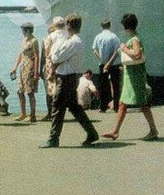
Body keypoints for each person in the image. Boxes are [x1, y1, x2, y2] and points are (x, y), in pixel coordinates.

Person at [41, 14, 98, 148]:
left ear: (69, 25)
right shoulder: (74, 40)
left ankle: (53, 139)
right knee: (74, 107)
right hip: (69, 77)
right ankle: (92, 133)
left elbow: (55, 57)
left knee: (57, 107)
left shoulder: (72, 42)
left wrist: (56, 52)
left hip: (65, 77)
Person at [101, 13, 159, 141]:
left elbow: (137, 54)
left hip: (135, 76)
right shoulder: (134, 37)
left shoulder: (134, 39)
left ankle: (153, 130)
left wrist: (124, 49)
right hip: (132, 74)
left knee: (141, 103)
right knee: (124, 103)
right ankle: (115, 130)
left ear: (125, 26)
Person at [9, 21, 39, 122]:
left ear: (28, 30)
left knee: (30, 92)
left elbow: (36, 56)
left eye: (23, 30)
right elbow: (20, 55)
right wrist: (15, 67)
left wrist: (36, 72)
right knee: (20, 91)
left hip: (30, 66)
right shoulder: (24, 40)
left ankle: (33, 115)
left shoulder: (34, 41)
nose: (22, 32)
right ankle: (23, 113)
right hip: (23, 66)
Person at [41, 16, 68, 122]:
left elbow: (45, 54)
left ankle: (50, 113)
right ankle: (56, 113)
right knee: (58, 91)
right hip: (62, 66)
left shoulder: (47, 39)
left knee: (49, 91)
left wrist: (41, 69)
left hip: (49, 66)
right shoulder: (67, 37)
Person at [92, 19, 122, 113]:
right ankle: (117, 106)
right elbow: (117, 51)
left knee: (103, 85)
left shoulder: (98, 37)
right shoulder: (114, 36)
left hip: (102, 63)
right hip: (114, 64)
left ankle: (103, 107)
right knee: (116, 85)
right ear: (110, 26)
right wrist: (109, 62)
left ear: (102, 26)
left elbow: (94, 50)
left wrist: (103, 60)